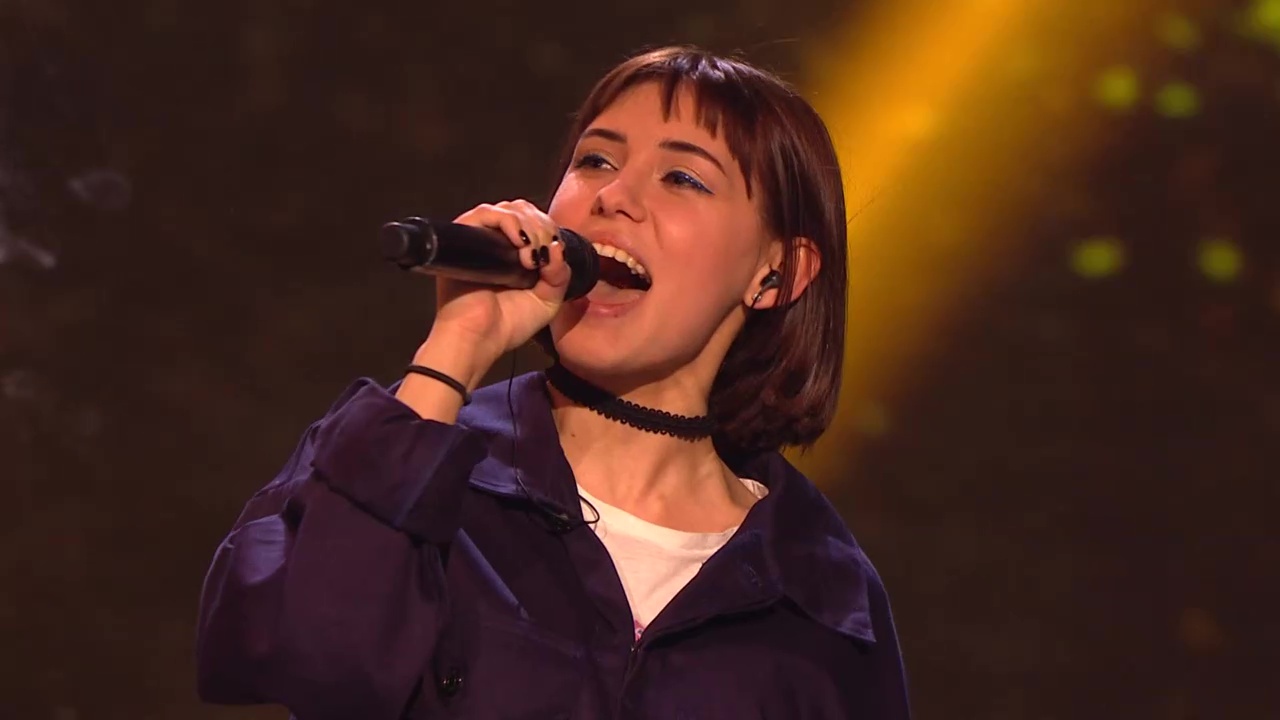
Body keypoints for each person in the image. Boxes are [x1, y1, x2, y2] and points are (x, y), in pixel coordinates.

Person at [196, 45, 911, 719]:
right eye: (595, 160)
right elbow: (309, 661)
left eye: (683, 178)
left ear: (777, 273)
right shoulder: (411, 464)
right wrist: (457, 344)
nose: (614, 196)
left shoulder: (819, 592)